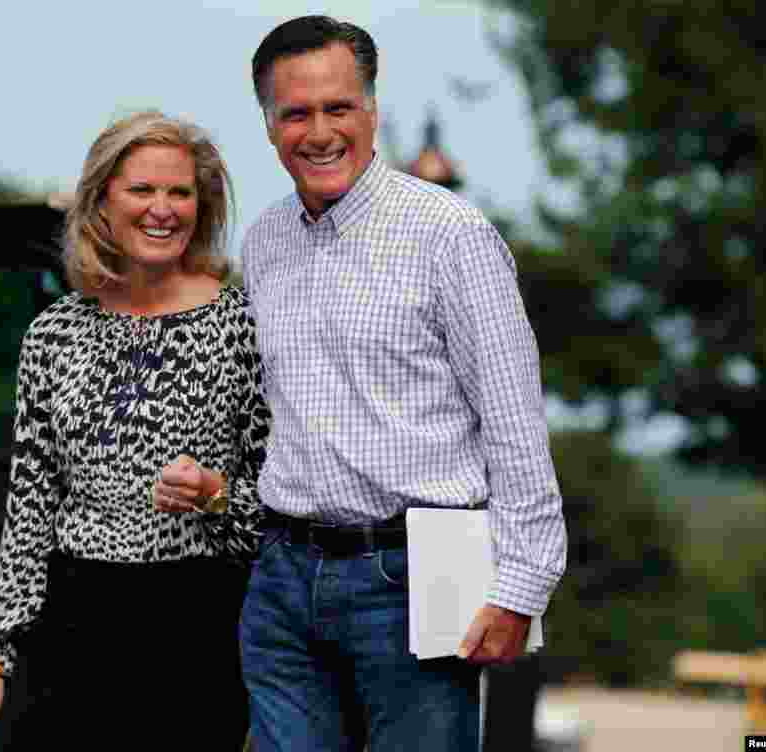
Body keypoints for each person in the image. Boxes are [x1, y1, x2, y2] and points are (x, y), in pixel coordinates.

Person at [238, 16, 568, 752]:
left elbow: (513, 421)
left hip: (415, 582)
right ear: (268, 126)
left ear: (372, 111)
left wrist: (520, 586)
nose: (319, 131)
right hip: (283, 586)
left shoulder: (453, 235)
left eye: (338, 108)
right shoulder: (261, 244)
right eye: (296, 113)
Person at [0, 111, 269, 752]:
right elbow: (28, 519)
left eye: (179, 192)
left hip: (197, 627)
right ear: (102, 201)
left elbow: (276, 518)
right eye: (142, 190)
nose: (164, 209)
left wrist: (214, 493)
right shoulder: (54, 334)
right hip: (73, 626)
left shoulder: (245, 324)